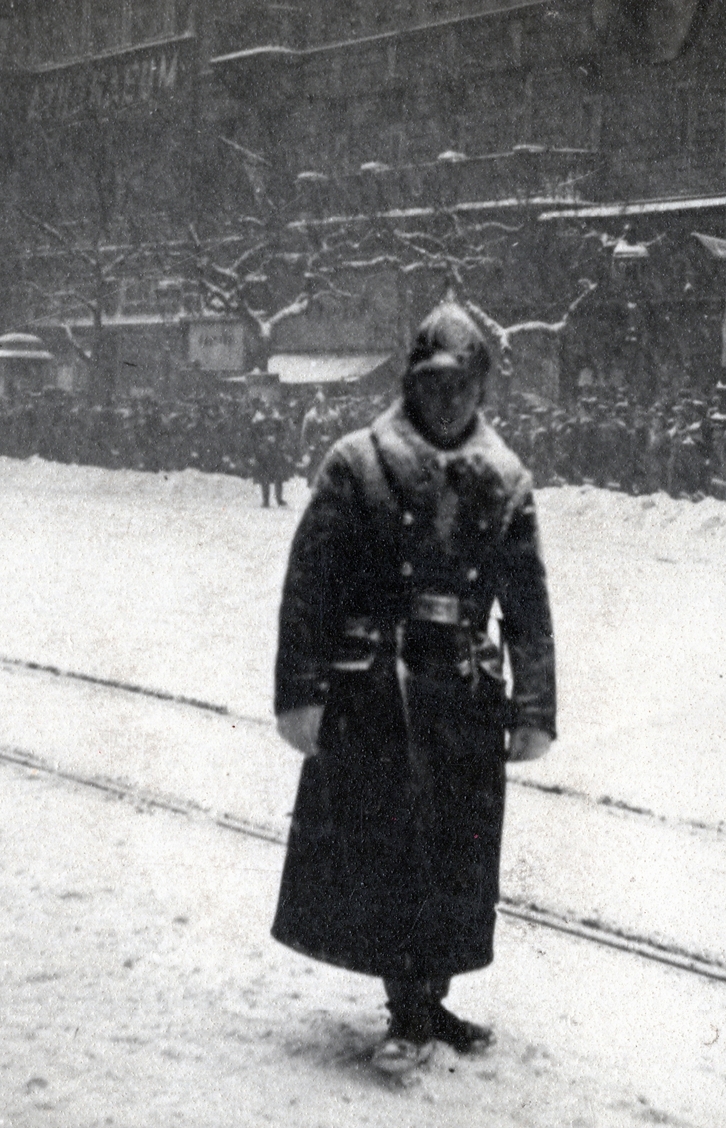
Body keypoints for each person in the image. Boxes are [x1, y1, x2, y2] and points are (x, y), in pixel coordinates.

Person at [270, 301, 556, 1075]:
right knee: (393, 850)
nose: (449, 398)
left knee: (459, 856)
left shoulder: (504, 479)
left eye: (463, 384)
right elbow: (310, 585)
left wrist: (533, 709)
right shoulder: (356, 463)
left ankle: (431, 998)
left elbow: (526, 605)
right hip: (378, 694)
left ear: (482, 389)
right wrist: (301, 690)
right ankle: (405, 1008)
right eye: (435, 382)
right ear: (411, 383)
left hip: (463, 695)